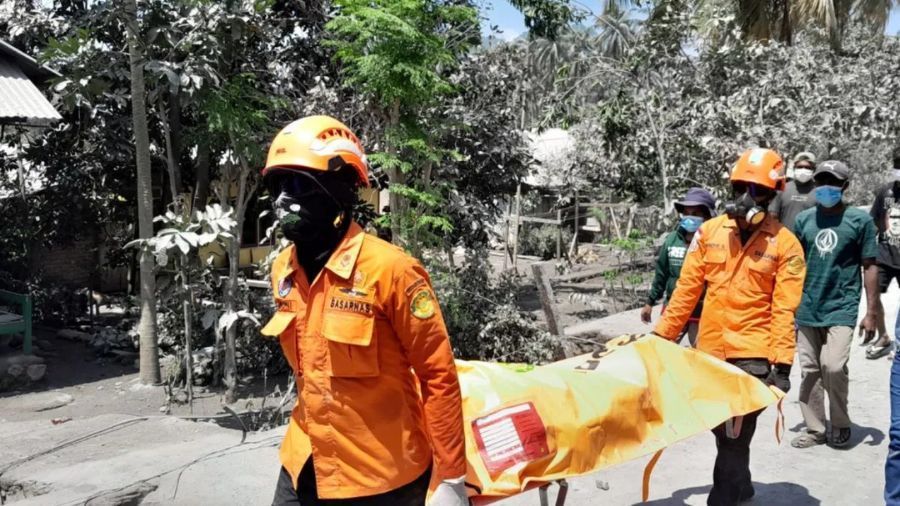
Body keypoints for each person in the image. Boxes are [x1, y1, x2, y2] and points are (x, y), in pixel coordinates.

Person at [260, 115, 468, 506]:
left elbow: (437, 375)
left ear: (338, 189)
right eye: (280, 184)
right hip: (304, 460)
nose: (286, 198)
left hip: (382, 478)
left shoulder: (391, 270)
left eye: (301, 183)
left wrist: (453, 476)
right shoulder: (282, 270)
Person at [653, 148, 805, 506]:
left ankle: (722, 497)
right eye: (742, 187)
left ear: (773, 195)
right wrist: (661, 337)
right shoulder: (708, 233)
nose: (748, 198)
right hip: (710, 353)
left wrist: (781, 365)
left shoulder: (786, 245)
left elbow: (785, 308)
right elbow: (686, 291)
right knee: (724, 434)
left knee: (735, 435)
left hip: (753, 357)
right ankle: (743, 485)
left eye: (759, 191)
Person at [788, 160, 877, 449]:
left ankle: (840, 422)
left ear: (845, 186)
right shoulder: (804, 220)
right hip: (807, 306)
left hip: (841, 305)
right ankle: (816, 428)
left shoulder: (859, 221)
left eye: (833, 182)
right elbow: (793, 264)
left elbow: (870, 265)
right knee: (810, 369)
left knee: (834, 365)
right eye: (821, 181)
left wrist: (872, 311)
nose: (826, 187)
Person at [641, 187, 716, 346]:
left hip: (701, 312)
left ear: (707, 216)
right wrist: (650, 302)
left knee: (701, 356)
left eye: (696, 214)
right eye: (687, 213)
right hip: (673, 309)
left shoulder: (715, 243)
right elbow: (661, 274)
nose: (690, 218)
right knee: (662, 349)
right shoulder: (672, 240)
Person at [867, 146, 900, 360]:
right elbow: (875, 219)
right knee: (873, 293)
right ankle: (883, 336)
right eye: (897, 165)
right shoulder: (885, 191)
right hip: (885, 254)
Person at [769, 151, 817, 230]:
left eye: (808, 167)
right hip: (784, 240)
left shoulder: (819, 192)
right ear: (794, 168)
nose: (803, 170)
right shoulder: (783, 188)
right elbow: (773, 215)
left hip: (807, 241)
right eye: (800, 167)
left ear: (814, 169)